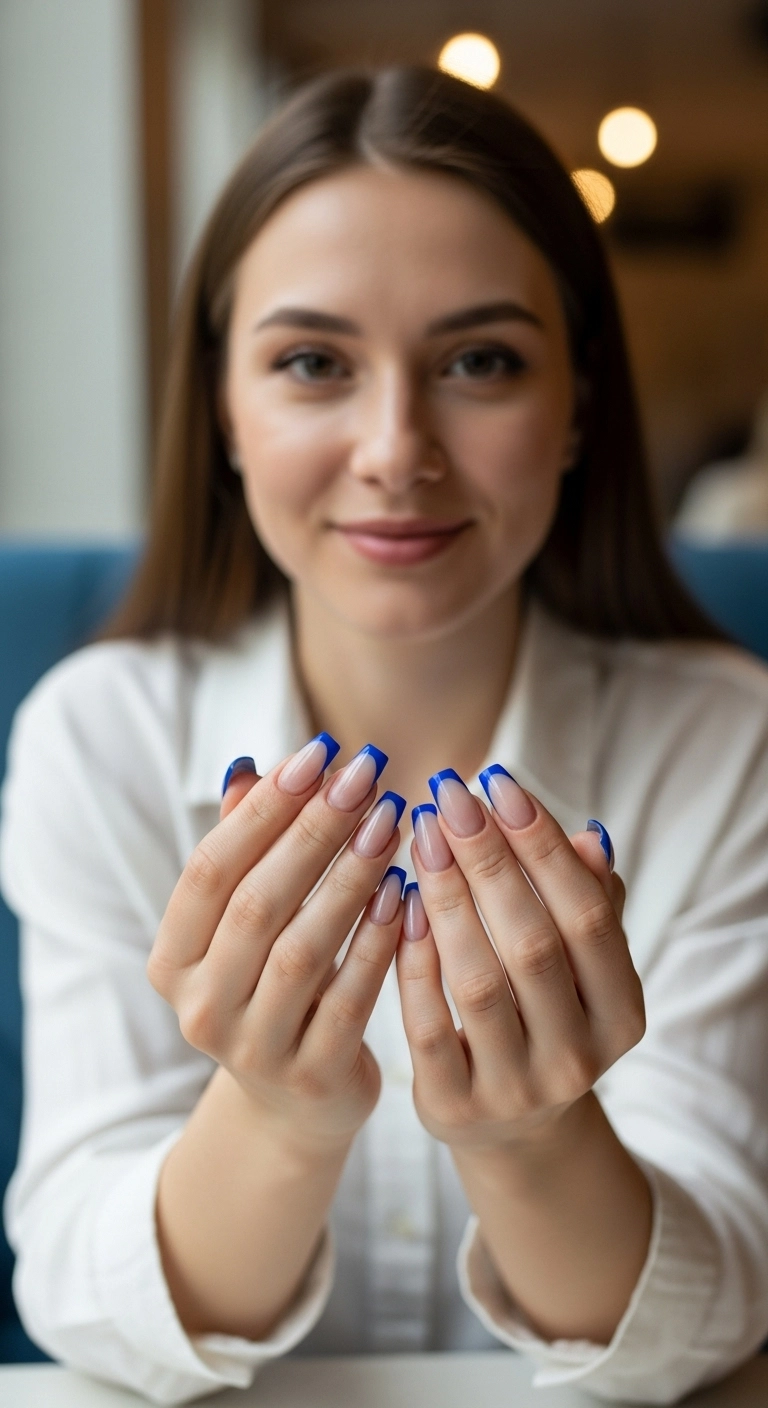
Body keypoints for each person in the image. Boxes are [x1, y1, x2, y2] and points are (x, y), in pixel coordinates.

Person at [2, 65, 768, 1407]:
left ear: (580, 402)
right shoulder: (99, 737)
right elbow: (80, 1297)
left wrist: (533, 1138)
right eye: (312, 363)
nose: (395, 447)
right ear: (226, 411)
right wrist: (279, 1113)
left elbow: (720, 1311)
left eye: (481, 360)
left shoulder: (726, 742)